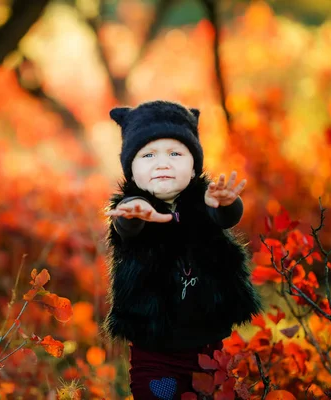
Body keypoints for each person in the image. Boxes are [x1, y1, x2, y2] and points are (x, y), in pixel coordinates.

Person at [101, 100, 263, 399]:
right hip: (156, 352)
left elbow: (224, 215)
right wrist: (131, 213)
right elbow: (125, 227)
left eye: (176, 153)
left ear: (193, 166)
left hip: (210, 343)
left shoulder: (206, 199)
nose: (163, 163)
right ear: (132, 169)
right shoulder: (132, 208)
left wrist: (227, 203)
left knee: (218, 393)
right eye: (148, 155)